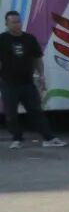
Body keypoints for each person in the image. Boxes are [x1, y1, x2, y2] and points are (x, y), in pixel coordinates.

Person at [1, 11, 65, 149]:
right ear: (7, 24)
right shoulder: (2, 39)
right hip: (8, 83)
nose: (17, 24)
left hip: (27, 83)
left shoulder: (29, 39)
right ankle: (17, 139)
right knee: (11, 114)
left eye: (18, 21)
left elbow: (37, 58)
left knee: (36, 111)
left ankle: (49, 138)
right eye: (13, 22)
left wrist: (41, 75)